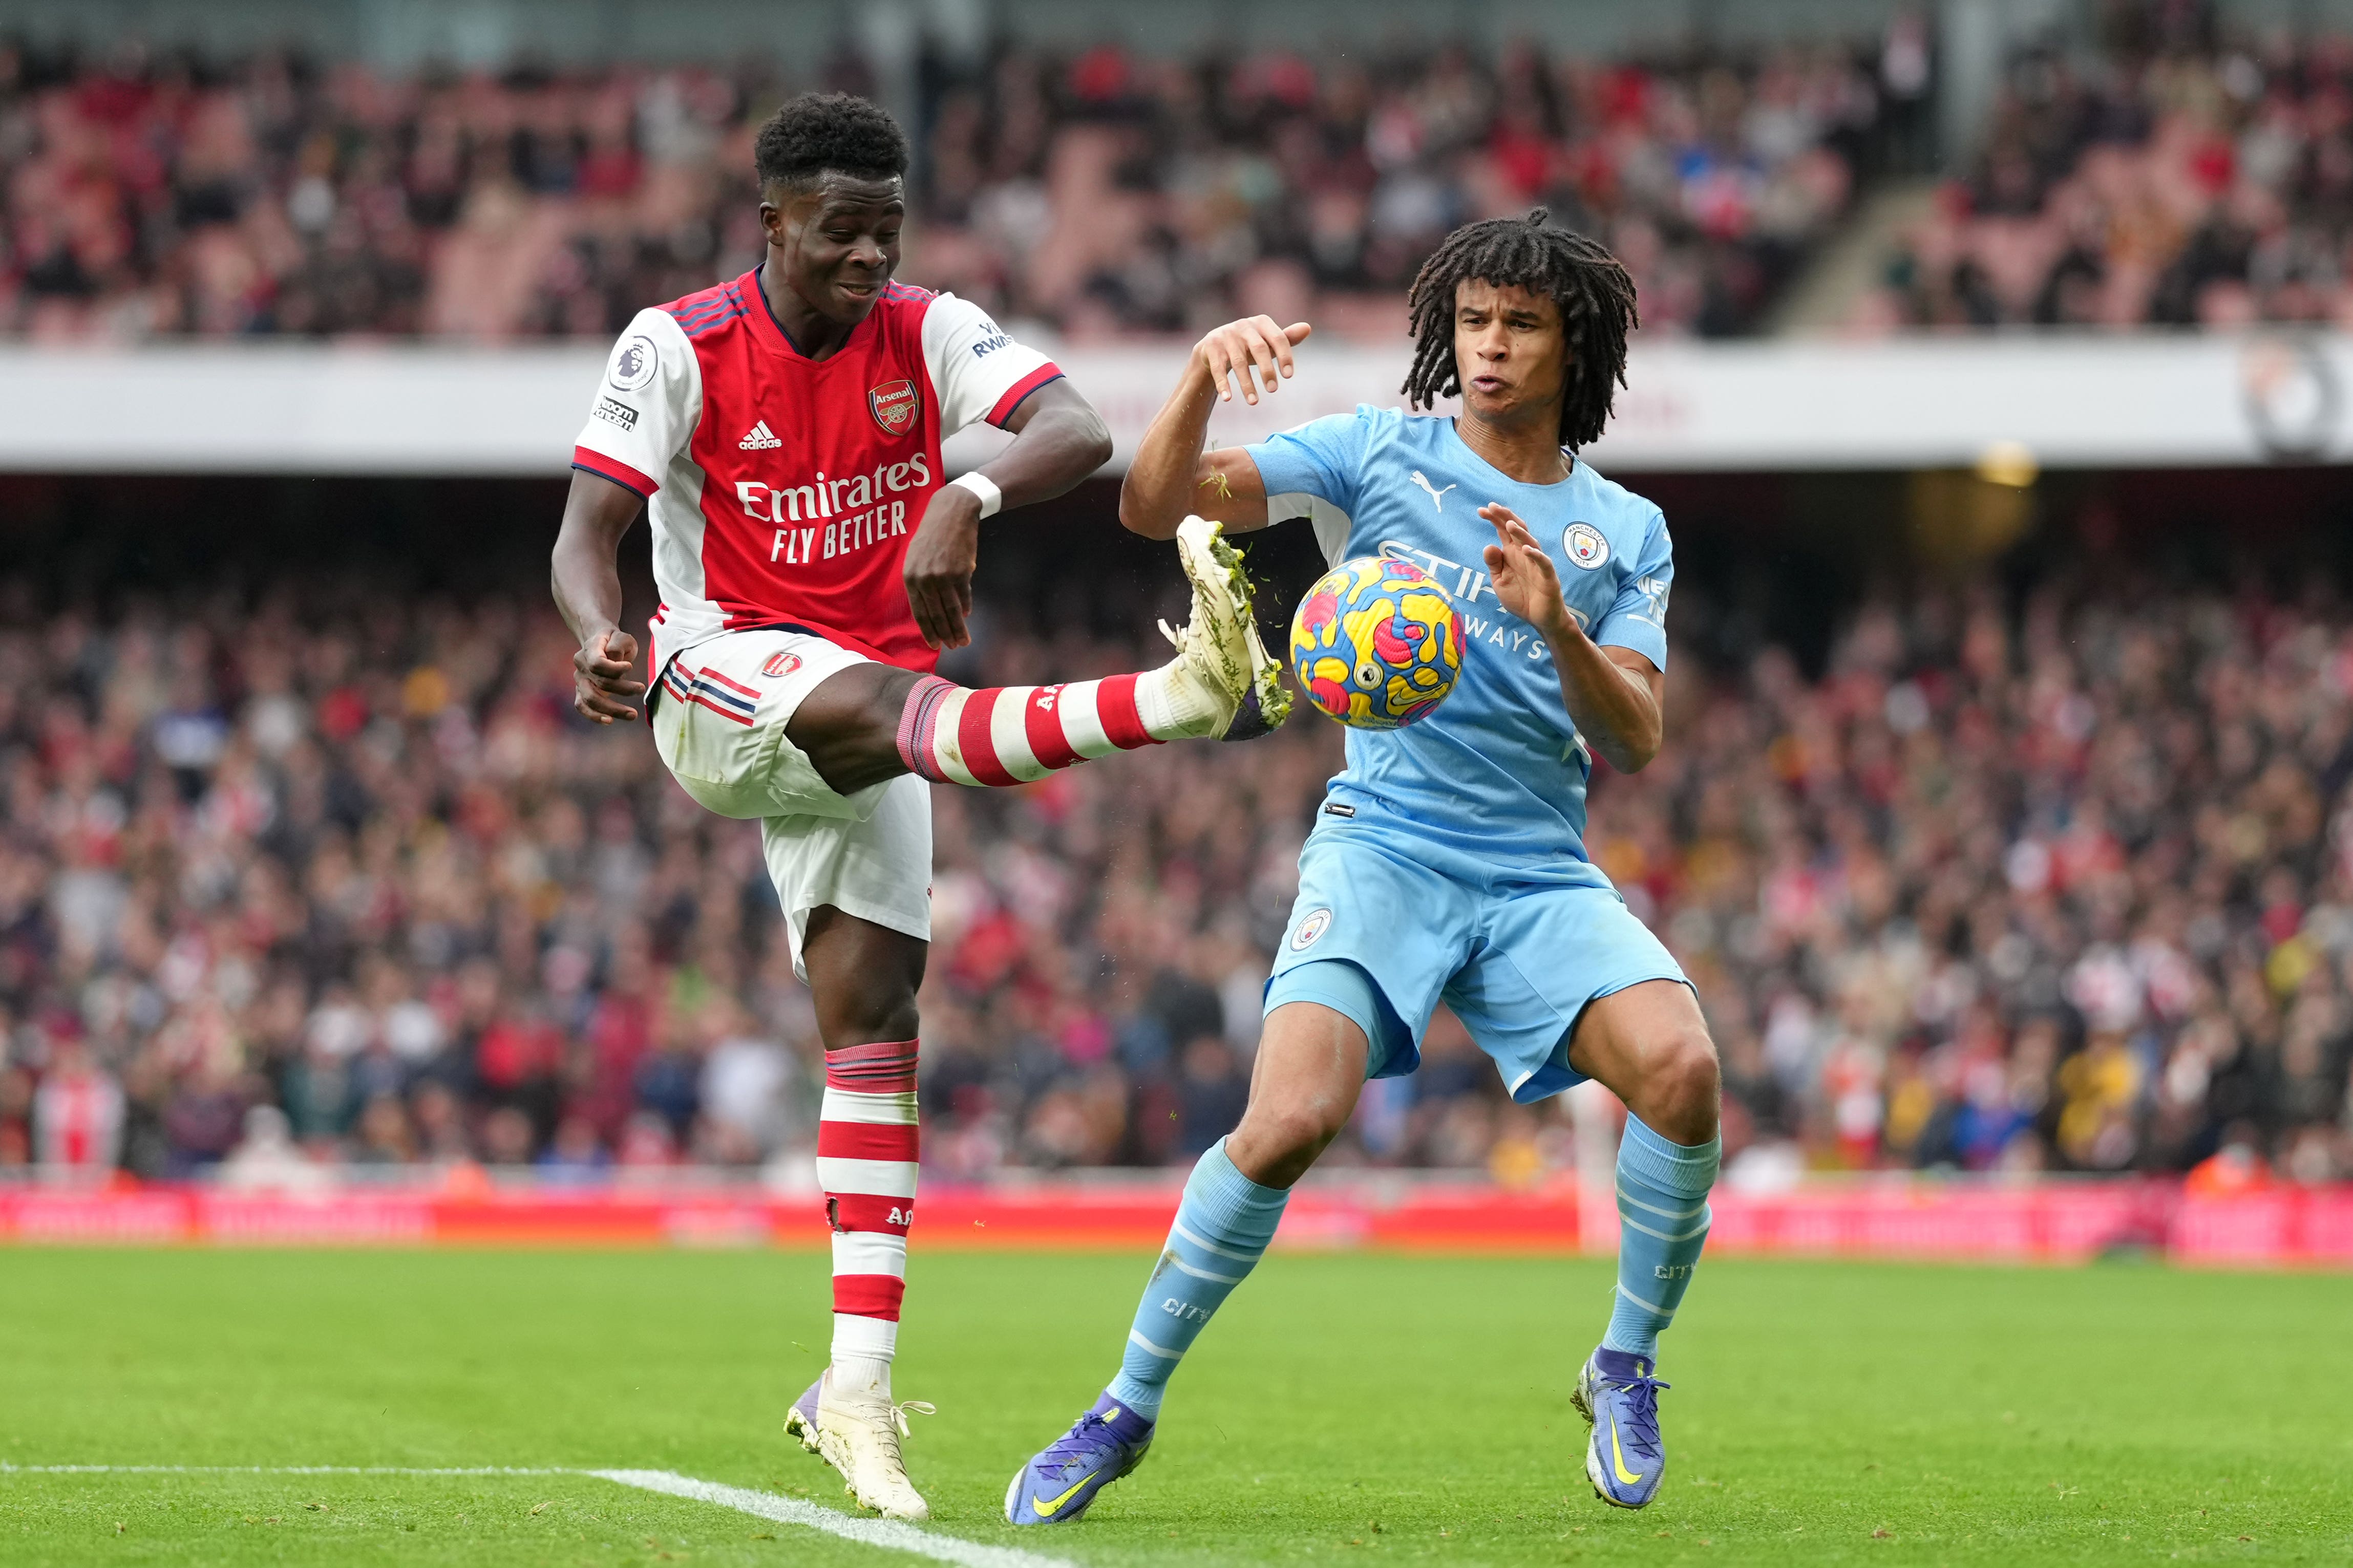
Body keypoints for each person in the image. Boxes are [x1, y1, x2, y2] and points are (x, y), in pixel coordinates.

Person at [549, 92, 1281, 1521]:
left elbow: (1075, 430)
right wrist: (597, 633)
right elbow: (586, 534)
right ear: (772, 223)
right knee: (891, 707)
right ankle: (1183, 702)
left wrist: (971, 497)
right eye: (838, 232)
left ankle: (856, 1391)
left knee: (875, 1029)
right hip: (715, 676)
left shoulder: (930, 329)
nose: (868, 257)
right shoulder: (676, 343)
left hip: (871, 719)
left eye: (886, 229)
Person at [1004, 211, 1722, 1523]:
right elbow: (1151, 504)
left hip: (1535, 870)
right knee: (1283, 1124)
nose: (1492, 346)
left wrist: (1556, 625)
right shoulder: (1375, 454)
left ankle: (1626, 1359)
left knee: (1682, 1071)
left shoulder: (1624, 530)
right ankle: (1124, 1406)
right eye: (1476, 321)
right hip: (1385, 846)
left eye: (1524, 324)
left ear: (1577, 347)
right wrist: (1196, 379)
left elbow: (1637, 735)